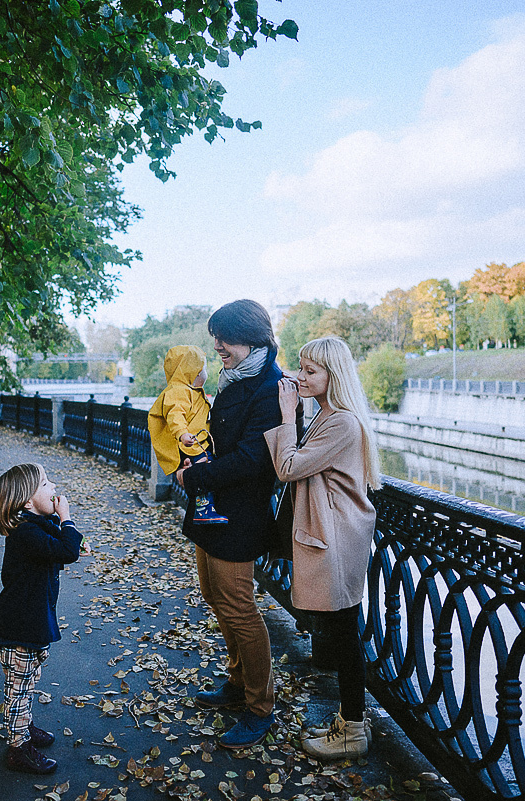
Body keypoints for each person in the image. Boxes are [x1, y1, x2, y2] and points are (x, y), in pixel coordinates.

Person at [176, 299, 300, 749]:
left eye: (223, 339)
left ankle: (259, 707)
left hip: (239, 517)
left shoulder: (272, 386)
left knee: (240, 610)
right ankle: (237, 683)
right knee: (216, 597)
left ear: (248, 338)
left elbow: (255, 459)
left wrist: (195, 474)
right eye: (216, 339)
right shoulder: (236, 378)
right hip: (212, 511)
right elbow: (223, 439)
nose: (217, 347)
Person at [263, 336, 381, 760]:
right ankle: (352, 722)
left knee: (346, 634)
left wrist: (285, 414)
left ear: (335, 376)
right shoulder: (329, 416)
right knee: (342, 630)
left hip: (336, 538)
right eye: (300, 367)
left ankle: (352, 729)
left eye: (311, 371)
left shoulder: (341, 422)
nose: (299, 377)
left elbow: (288, 467)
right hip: (332, 533)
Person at [0, 463, 83, 774]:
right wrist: (66, 518)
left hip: (32, 620)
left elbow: (60, 541)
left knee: (27, 681)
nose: (53, 487)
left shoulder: (33, 524)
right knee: (19, 689)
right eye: (45, 484)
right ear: (27, 501)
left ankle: (24, 727)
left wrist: (63, 527)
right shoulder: (25, 533)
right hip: (21, 625)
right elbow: (66, 551)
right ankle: (18, 749)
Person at [147, 344, 226, 524]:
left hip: (195, 442)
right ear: (191, 373)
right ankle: (204, 510)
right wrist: (182, 434)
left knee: (204, 469)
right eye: (202, 370)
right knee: (201, 471)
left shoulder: (189, 391)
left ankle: (207, 507)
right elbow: (175, 415)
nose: (205, 374)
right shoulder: (178, 392)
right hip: (190, 444)